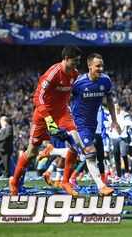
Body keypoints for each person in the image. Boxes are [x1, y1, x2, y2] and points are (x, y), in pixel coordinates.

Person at [9, 46, 83, 196]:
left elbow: (72, 94)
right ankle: (14, 181)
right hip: (44, 114)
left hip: (62, 113)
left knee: (76, 142)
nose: (77, 64)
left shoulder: (75, 74)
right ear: (66, 59)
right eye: (75, 61)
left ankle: (66, 182)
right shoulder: (53, 73)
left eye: (79, 61)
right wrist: (49, 119)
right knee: (31, 152)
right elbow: (37, 97)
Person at [70, 53, 120, 195]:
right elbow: (66, 98)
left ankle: (52, 153)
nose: (101, 68)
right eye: (98, 66)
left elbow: (109, 99)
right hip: (79, 123)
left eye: (102, 66)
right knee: (91, 152)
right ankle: (101, 186)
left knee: (75, 153)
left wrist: (114, 120)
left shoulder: (105, 81)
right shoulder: (79, 83)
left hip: (92, 123)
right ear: (89, 66)